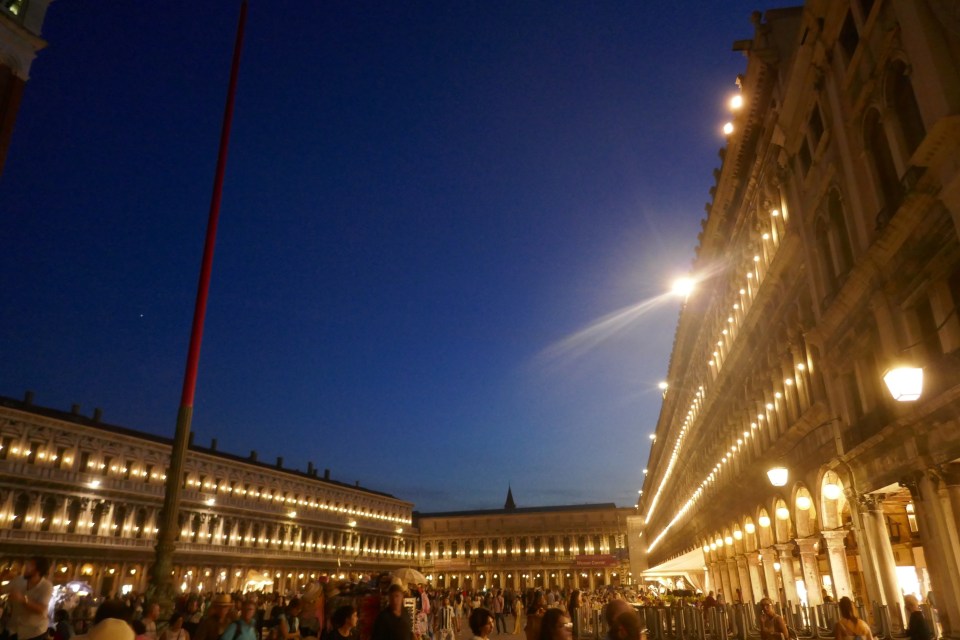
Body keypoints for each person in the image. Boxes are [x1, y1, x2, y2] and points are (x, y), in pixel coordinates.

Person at [0, 556, 54, 640]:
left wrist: (23, 599)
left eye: (30, 565)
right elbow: (1, 591)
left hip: (34, 632)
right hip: (15, 628)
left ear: (38, 570)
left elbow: (42, 609)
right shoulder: (19, 580)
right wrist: (1, 576)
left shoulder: (46, 586)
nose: (26, 567)